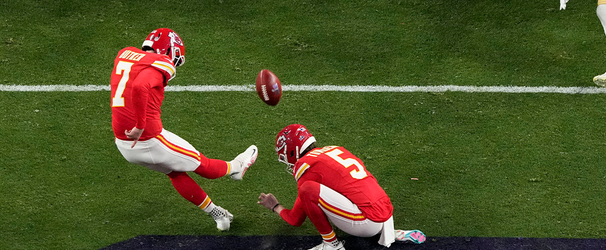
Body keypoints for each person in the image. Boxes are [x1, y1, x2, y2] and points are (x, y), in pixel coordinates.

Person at [111, 28, 258, 231]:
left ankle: (218, 215)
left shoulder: (124, 54)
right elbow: (140, 86)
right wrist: (140, 125)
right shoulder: (162, 63)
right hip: (148, 139)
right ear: (169, 50)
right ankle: (236, 168)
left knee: (174, 172)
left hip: (124, 144)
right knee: (203, 165)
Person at [258, 124, 426, 248]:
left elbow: (296, 219)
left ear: (292, 151)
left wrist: (276, 206)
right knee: (354, 187)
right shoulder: (334, 150)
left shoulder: (306, 165)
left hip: (366, 221)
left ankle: (331, 244)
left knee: (307, 190)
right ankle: (390, 232)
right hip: (386, 211)